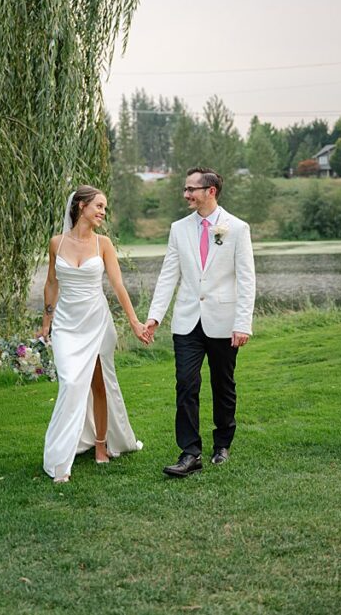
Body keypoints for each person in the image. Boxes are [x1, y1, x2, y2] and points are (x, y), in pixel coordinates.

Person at [145, 167, 255, 478]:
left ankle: (222, 444)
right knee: (186, 384)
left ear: (211, 191)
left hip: (223, 320)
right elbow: (169, 275)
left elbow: (247, 280)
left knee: (223, 385)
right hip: (187, 322)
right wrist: (155, 316)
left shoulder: (237, 228)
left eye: (192, 189)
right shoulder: (178, 228)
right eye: (185, 188)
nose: (186, 194)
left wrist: (242, 323)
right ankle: (190, 452)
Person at [41, 185, 147, 483]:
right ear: (80, 206)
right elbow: (51, 283)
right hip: (65, 324)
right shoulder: (56, 244)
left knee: (99, 384)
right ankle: (61, 453)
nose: (102, 212)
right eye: (98, 206)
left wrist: (135, 322)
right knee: (72, 383)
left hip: (96, 321)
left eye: (104, 208)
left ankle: (101, 445)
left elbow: (118, 286)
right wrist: (46, 321)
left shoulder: (103, 244)